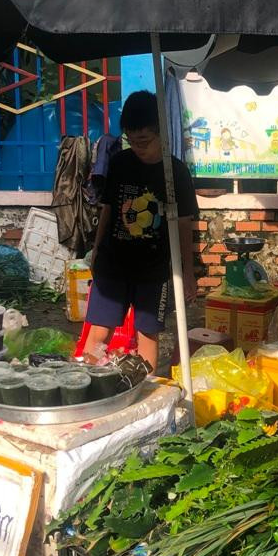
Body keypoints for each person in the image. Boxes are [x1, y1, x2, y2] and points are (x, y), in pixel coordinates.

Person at [84, 90, 198, 371]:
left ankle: (145, 390)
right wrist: (97, 250)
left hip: (153, 268)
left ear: (161, 133)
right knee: (99, 330)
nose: (138, 148)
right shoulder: (120, 163)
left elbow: (184, 226)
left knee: (147, 332)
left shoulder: (176, 173)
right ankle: (88, 379)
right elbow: (108, 208)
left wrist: (188, 272)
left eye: (144, 142)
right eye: (132, 142)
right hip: (114, 263)